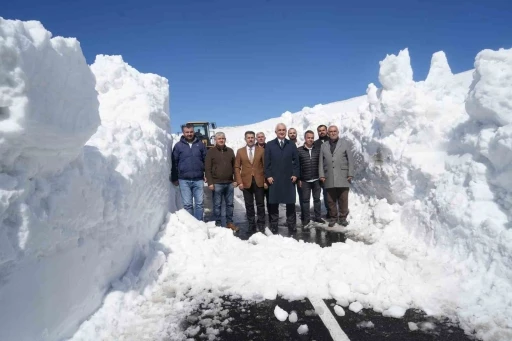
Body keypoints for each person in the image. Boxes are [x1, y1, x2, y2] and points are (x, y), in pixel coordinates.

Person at [265, 123, 300, 233]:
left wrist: (295, 174)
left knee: (290, 203)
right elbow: (267, 162)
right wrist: (268, 176)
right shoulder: (270, 145)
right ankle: (274, 224)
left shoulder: (291, 144)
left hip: (288, 178)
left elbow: (296, 162)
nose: (281, 131)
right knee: (274, 203)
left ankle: (291, 224)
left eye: (283, 130)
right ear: (276, 132)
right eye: (279, 130)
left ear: (286, 132)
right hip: (274, 179)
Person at [319, 125, 355, 227]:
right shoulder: (324, 146)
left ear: (338, 132)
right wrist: (321, 174)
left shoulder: (344, 143)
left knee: (343, 198)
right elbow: (321, 162)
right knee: (330, 199)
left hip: (343, 175)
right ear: (328, 133)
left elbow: (350, 159)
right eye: (330, 131)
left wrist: (350, 173)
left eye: (335, 131)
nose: (333, 133)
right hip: (328, 175)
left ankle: (343, 218)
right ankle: (333, 217)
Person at [171, 123, 207, 221]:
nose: (189, 134)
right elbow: (174, 162)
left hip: (198, 179)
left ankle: (199, 223)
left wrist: (206, 174)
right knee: (187, 204)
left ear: (194, 131)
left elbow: (206, 160)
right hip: (184, 180)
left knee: (199, 203)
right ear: (183, 133)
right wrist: (174, 177)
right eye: (187, 132)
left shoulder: (200, 145)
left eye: (191, 132)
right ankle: (191, 224)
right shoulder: (178, 146)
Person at [205, 132, 239, 232]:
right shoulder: (211, 152)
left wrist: (236, 180)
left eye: (223, 138)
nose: (221, 140)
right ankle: (218, 224)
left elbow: (235, 167)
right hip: (217, 183)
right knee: (217, 205)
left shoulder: (230, 151)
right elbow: (207, 168)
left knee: (230, 204)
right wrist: (210, 182)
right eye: (219, 138)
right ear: (215, 140)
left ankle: (229, 223)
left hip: (229, 183)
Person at [235, 131, 266, 234]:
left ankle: (261, 223)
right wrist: (239, 181)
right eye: (248, 138)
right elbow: (237, 167)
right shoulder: (240, 151)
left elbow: (265, 166)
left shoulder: (261, 150)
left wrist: (265, 180)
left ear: (255, 139)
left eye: (252, 137)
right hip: (246, 181)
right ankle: (251, 224)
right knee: (249, 204)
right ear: (245, 139)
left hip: (259, 180)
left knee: (260, 204)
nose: (250, 139)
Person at [297, 130, 325, 229]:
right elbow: (297, 165)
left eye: (312, 138)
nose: (310, 139)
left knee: (317, 199)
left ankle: (318, 217)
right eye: (308, 137)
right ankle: (306, 219)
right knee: (305, 200)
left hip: (316, 179)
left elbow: (321, 163)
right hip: (305, 180)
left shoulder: (318, 149)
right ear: (305, 138)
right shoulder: (299, 150)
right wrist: (299, 178)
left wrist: (321, 176)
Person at [288, 127, 304, 223]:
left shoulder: (301, 145)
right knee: (290, 196)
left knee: (302, 195)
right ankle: (291, 217)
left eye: (294, 133)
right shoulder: (286, 145)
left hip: (300, 174)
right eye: (290, 133)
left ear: (296, 134)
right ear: (288, 135)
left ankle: (303, 215)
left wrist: (300, 176)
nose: (292, 134)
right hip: (289, 175)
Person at [314, 124, 330, 216]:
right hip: (316, 172)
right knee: (316, 195)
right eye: (320, 131)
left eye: (323, 130)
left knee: (327, 194)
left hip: (327, 172)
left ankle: (329, 211)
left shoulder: (331, 141)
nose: (322, 132)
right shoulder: (315, 143)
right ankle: (317, 214)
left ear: (326, 131)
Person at [256, 131, 270, 216]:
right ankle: (261, 219)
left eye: (262, 137)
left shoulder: (269, 147)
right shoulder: (253, 149)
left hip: (269, 178)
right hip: (258, 178)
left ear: (265, 138)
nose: (261, 138)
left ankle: (272, 218)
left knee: (270, 200)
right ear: (256, 139)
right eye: (259, 137)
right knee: (259, 201)